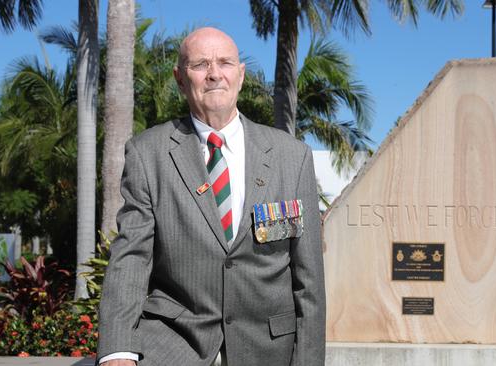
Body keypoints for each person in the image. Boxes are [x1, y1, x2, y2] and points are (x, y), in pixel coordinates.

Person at [97, 27, 326, 366]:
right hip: (174, 348)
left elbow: (309, 281)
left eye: (225, 63)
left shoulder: (292, 157)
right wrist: (117, 351)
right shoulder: (148, 154)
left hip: (269, 351)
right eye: (201, 64)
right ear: (179, 78)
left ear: (241, 75)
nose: (215, 74)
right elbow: (131, 258)